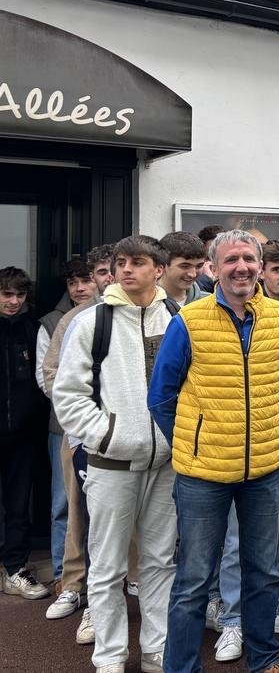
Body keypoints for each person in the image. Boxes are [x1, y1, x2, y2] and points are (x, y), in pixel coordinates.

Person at [148, 230, 279, 673]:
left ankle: (265, 660)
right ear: (213, 269)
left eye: (249, 259)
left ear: (259, 265)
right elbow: (161, 396)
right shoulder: (189, 320)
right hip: (202, 472)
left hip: (266, 468)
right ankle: (180, 667)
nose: (242, 267)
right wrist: (195, 438)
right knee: (194, 580)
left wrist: (267, 427)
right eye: (231, 259)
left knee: (263, 573)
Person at [54, 235, 178, 673]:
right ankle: (108, 656)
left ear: (158, 270)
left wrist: (177, 438)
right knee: (106, 567)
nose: (126, 270)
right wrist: (104, 435)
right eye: (121, 262)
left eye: (138, 262)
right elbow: (67, 394)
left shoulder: (180, 319)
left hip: (166, 464)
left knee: (161, 563)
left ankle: (156, 651)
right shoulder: (92, 322)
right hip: (110, 463)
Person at [39, 245, 114, 631]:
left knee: (119, 519)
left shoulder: (143, 315)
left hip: (128, 440)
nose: (106, 278)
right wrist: (89, 426)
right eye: (99, 272)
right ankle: (72, 584)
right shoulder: (73, 319)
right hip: (80, 436)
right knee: (76, 513)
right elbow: (53, 376)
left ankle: (114, 592)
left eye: (109, 270)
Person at [36, 256, 97, 594]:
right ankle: (64, 574)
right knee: (65, 502)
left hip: (102, 431)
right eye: (73, 283)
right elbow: (49, 377)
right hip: (63, 427)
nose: (80, 288)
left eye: (85, 280)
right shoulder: (55, 322)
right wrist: (75, 412)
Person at [0, 266, 53, 600]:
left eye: (19, 295)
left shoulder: (33, 330)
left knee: (18, 505)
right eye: (7, 294)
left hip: (22, 435)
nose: (13, 301)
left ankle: (15, 569)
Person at [159, 232, 211, 306]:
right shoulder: (144, 303)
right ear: (163, 264)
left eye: (199, 266)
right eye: (185, 266)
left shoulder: (210, 303)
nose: (193, 274)